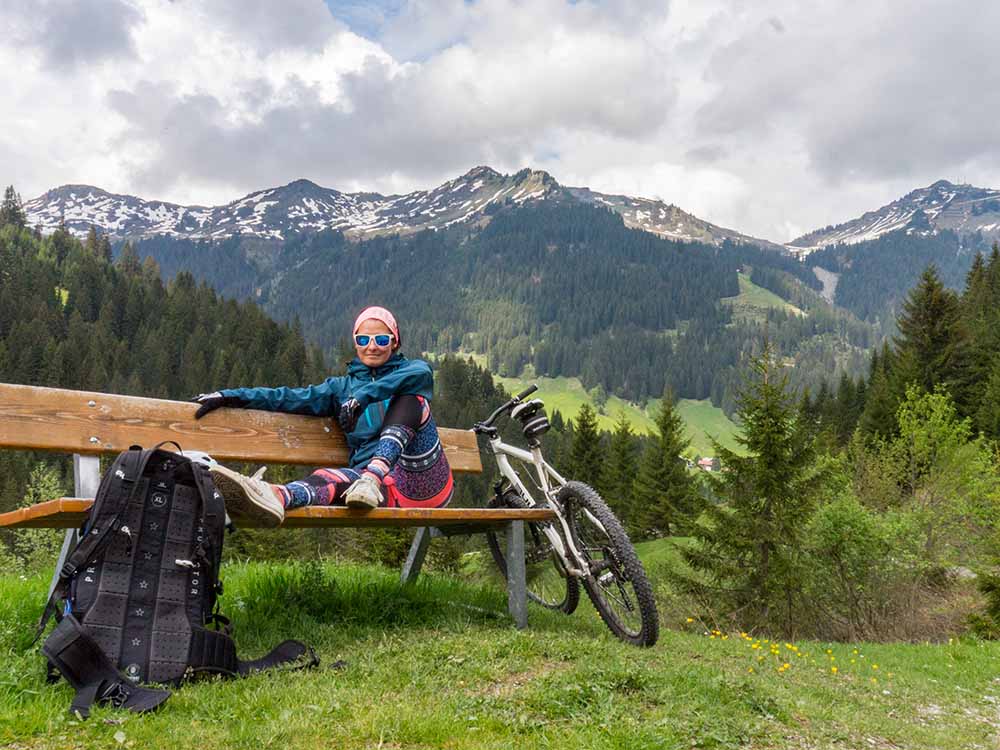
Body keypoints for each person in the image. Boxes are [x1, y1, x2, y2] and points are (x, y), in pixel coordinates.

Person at [192, 306, 453, 526]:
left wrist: (362, 398)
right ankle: (270, 495)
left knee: (411, 398)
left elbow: (422, 376)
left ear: (395, 341)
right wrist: (230, 395)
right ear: (355, 342)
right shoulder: (338, 389)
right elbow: (286, 397)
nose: (372, 347)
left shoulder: (413, 370)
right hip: (375, 492)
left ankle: (372, 477)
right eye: (363, 340)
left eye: (381, 340)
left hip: (422, 482)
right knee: (329, 480)